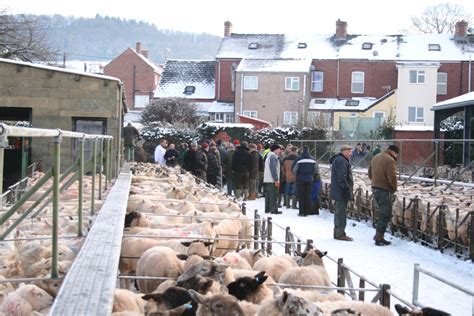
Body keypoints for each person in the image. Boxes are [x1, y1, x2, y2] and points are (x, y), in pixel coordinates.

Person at [368, 144, 399, 246]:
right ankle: (379, 237)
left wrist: (375, 182)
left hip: (375, 188)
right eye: (396, 154)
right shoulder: (390, 160)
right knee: (385, 214)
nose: (396, 156)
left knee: (381, 211)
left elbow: (369, 174)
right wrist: (394, 188)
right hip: (384, 190)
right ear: (393, 152)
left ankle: (378, 234)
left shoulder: (375, 157)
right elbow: (392, 177)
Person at [329, 145, 354, 241]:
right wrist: (346, 189)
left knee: (339, 212)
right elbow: (342, 177)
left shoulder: (340, 160)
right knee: (341, 213)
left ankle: (338, 232)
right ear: (344, 151)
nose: (351, 154)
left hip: (339, 190)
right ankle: (340, 234)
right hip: (341, 191)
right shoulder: (341, 161)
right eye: (349, 151)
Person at [292, 146, 319, 217]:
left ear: (302, 151)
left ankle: (301, 212)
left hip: (300, 179)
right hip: (309, 179)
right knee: (308, 195)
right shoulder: (313, 159)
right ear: (308, 151)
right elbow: (316, 170)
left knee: (301, 195)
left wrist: (297, 175)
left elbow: (294, 170)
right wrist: (311, 175)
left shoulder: (299, 159)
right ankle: (307, 212)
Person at [264, 144, 282, 214]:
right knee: (273, 195)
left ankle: (267, 209)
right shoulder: (273, 157)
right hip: (272, 179)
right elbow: (273, 169)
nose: (280, 151)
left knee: (268, 195)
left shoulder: (268, 156)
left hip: (268, 179)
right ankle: (274, 210)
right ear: (275, 150)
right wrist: (276, 179)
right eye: (278, 149)